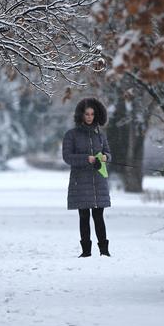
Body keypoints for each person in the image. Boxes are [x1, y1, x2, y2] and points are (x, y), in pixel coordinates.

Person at [62, 97, 112, 257]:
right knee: (84, 216)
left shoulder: (100, 135)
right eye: (86, 114)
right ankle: (86, 252)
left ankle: (104, 251)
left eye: (92, 114)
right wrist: (86, 158)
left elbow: (109, 153)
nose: (89, 117)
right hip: (80, 182)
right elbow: (67, 157)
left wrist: (105, 157)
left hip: (99, 182)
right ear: (81, 115)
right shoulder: (71, 135)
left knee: (99, 216)